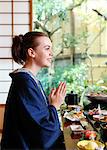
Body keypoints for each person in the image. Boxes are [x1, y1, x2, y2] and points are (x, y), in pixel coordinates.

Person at [1, 31, 66, 150]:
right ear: (31, 52)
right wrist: (54, 105)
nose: (51, 53)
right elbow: (42, 131)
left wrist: (50, 105)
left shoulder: (30, 79)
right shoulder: (24, 81)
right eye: (47, 48)